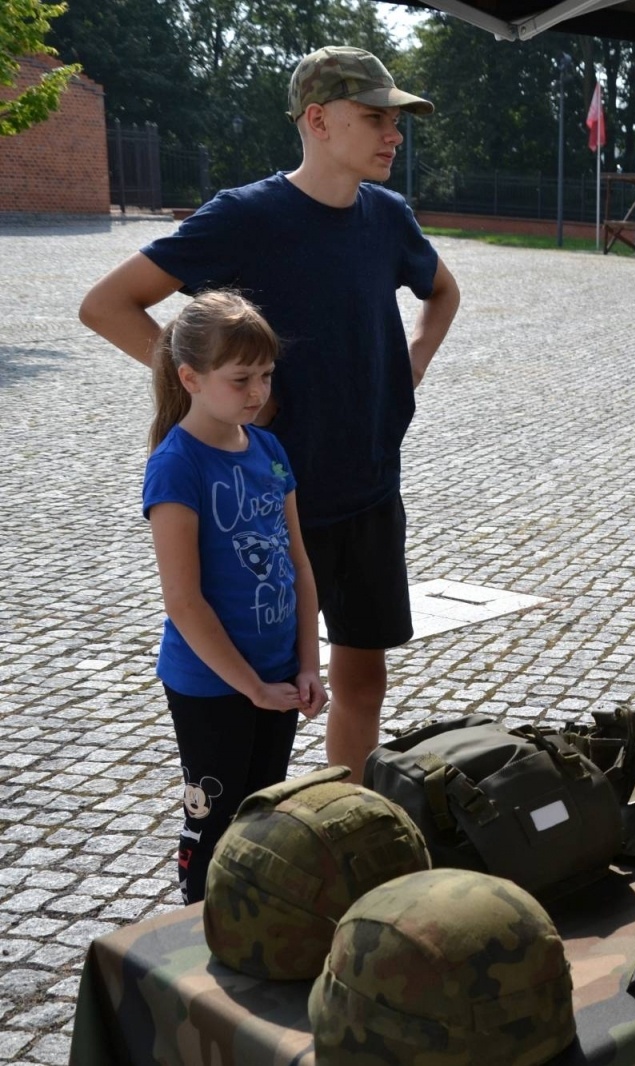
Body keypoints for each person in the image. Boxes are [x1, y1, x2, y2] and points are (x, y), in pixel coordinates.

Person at [80, 47, 460, 784]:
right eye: (375, 117)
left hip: (372, 492)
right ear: (318, 120)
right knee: (269, 695)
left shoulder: (388, 217)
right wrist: (209, 390)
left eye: (396, 119)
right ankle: (256, 849)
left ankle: (346, 821)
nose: (394, 134)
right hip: (268, 504)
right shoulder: (246, 217)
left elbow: (442, 293)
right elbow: (106, 305)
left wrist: (411, 362)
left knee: (363, 682)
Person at [142, 291, 327, 902]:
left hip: (276, 674)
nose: (257, 392)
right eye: (240, 378)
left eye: (266, 375)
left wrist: (307, 664)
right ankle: (197, 925)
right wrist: (250, 687)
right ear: (189, 378)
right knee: (214, 819)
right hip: (212, 685)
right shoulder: (178, 465)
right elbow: (184, 601)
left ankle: (249, 922)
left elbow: (298, 564)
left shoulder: (269, 450)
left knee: (262, 811)